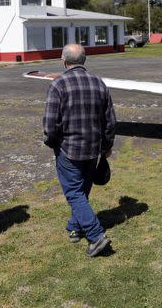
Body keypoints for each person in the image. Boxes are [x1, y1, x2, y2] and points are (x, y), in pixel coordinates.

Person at [43, 43, 115, 257]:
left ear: (64, 61)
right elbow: (109, 120)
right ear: (84, 60)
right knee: (81, 191)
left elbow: (50, 123)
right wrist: (107, 146)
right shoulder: (99, 83)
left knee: (74, 193)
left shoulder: (59, 84)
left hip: (69, 150)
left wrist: (52, 142)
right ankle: (74, 227)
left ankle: (96, 236)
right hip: (93, 149)